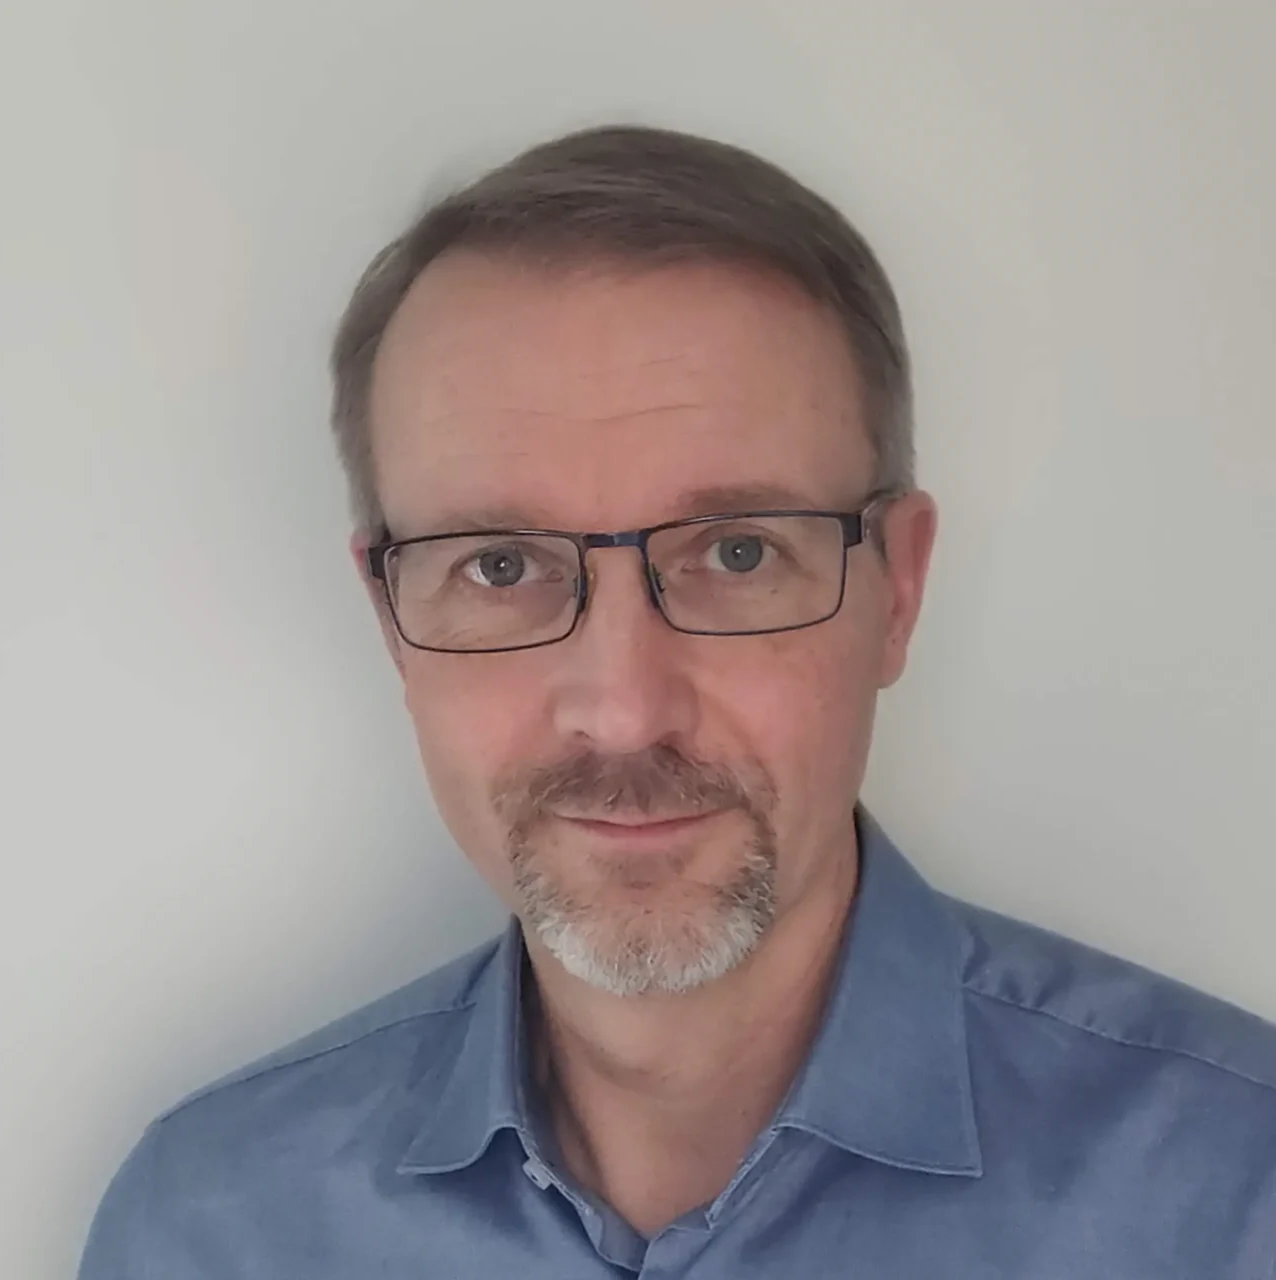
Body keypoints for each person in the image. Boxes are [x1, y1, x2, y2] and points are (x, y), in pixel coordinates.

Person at [79, 124, 1276, 1279]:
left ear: (897, 591)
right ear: (391, 619)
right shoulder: (210, 1228)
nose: (624, 710)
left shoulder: (1236, 1192)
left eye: (738, 552)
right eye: (499, 564)